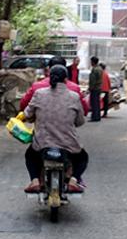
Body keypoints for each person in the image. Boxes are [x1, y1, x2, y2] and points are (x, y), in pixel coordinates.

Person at [23, 65, 88, 193]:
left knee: (30, 155)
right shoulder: (74, 96)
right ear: (66, 80)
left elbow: (27, 114)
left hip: (41, 144)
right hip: (69, 145)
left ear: (49, 77)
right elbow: (80, 121)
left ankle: (35, 181)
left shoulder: (39, 94)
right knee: (82, 158)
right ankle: (73, 181)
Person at [19, 55, 88, 112]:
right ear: (65, 69)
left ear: (49, 69)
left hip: (41, 126)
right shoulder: (74, 89)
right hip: (67, 127)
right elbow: (84, 109)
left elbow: (23, 105)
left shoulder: (37, 87)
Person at [88, 56, 103, 121]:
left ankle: (94, 117)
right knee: (97, 103)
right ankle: (98, 116)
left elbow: (93, 80)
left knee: (94, 103)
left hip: (95, 88)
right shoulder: (100, 68)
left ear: (93, 62)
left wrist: (90, 88)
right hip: (99, 87)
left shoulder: (94, 69)